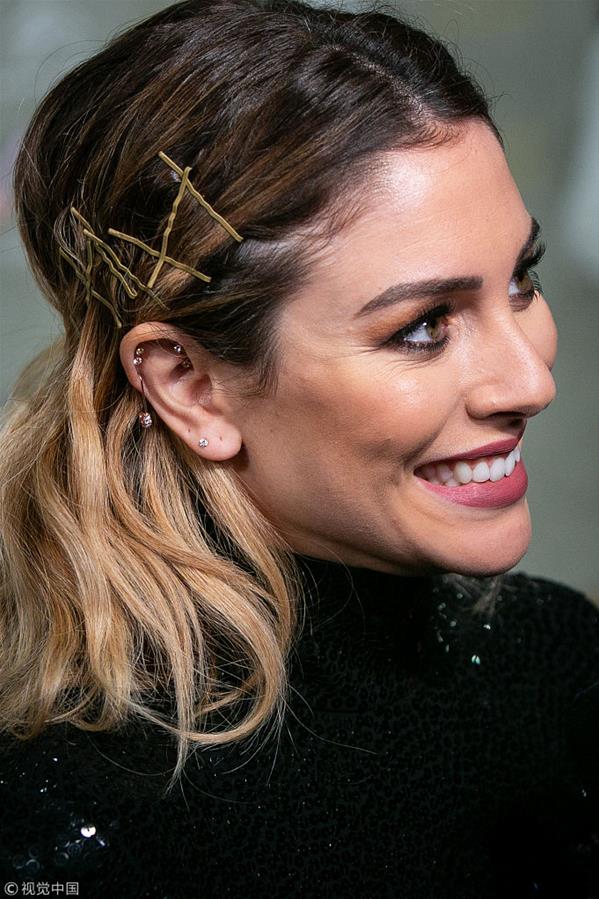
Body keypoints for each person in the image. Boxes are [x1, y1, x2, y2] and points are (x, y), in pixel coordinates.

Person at [0, 0, 597, 895]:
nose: (529, 380)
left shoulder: (557, 660)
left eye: (521, 280)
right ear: (188, 384)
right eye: (423, 325)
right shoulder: (74, 819)